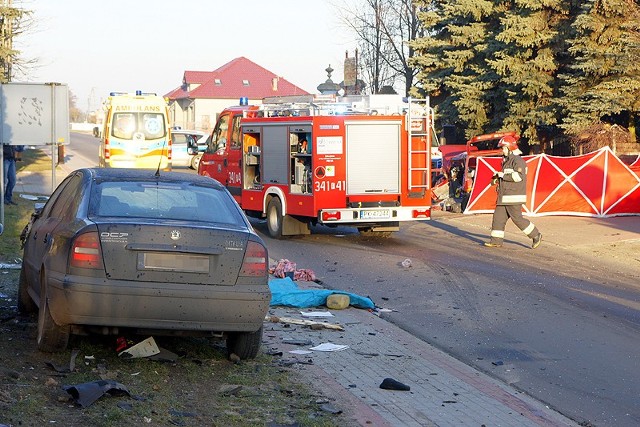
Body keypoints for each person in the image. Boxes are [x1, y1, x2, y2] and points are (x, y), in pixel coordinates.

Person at [484, 135, 542, 249]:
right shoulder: (507, 161)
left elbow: (518, 177)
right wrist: (497, 178)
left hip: (513, 197)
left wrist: (502, 175)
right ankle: (496, 241)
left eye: (504, 148)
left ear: (510, 148)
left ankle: (536, 235)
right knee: (498, 218)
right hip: (504, 196)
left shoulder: (518, 161)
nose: (502, 151)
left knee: (518, 219)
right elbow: (507, 177)